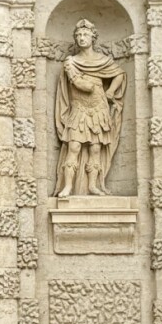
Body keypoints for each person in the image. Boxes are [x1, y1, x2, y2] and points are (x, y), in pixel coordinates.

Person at [54, 19, 126, 197]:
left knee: (95, 148)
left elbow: (119, 74)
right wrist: (89, 85)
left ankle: (93, 186)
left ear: (93, 37)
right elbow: (81, 85)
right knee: (74, 146)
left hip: (99, 109)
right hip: (79, 108)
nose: (81, 38)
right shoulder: (71, 62)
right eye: (78, 35)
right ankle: (68, 186)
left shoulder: (103, 60)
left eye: (85, 34)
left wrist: (110, 91)